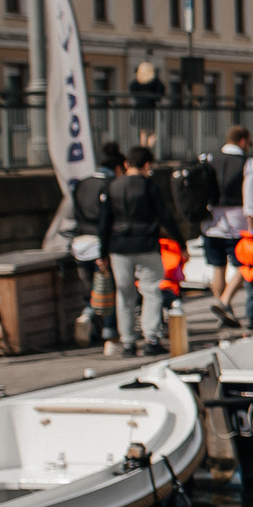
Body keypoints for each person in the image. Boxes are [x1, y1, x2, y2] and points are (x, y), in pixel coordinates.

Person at [96, 146, 180, 357]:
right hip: (146, 244)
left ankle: (128, 343)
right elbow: (165, 216)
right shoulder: (149, 187)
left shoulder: (112, 187)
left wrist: (102, 252)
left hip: (118, 246)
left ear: (126, 164)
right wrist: (181, 242)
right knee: (151, 290)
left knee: (124, 294)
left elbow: (104, 223)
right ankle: (151, 339)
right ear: (146, 165)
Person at [202, 125, 253, 328]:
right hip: (237, 224)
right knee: (248, 264)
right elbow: (251, 202)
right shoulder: (249, 164)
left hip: (211, 223)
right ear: (243, 141)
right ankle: (224, 301)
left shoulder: (209, 160)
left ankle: (224, 315)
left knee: (217, 269)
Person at [69, 140, 126, 346]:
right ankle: (110, 334)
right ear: (118, 168)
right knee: (108, 289)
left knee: (92, 288)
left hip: (80, 243)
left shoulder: (82, 184)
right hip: (100, 244)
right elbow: (108, 221)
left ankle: (87, 314)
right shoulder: (111, 186)